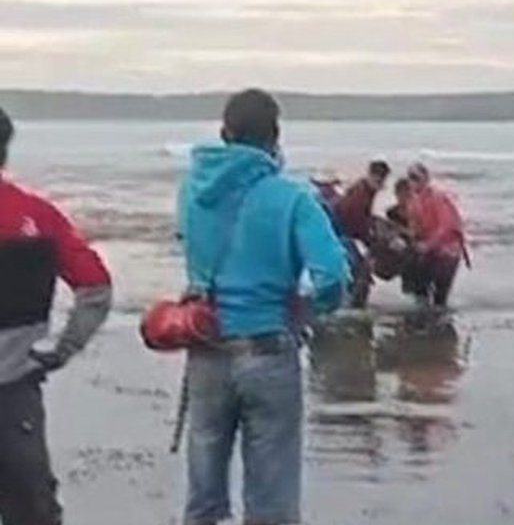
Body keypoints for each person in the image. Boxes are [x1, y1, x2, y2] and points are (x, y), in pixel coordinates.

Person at [177, 89, 350, 525]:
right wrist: (307, 311)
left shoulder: (192, 191)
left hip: (206, 344)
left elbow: (194, 250)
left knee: (203, 495)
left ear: (224, 134)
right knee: (271, 498)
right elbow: (333, 276)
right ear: (276, 139)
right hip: (269, 349)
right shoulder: (292, 198)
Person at [0, 106, 113, 525]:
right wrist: (62, 349)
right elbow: (96, 288)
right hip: (14, 390)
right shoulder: (38, 216)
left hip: (14, 390)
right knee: (32, 510)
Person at [405, 164, 468, 307]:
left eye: (416, 178)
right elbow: (415, 229)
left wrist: (428, 245)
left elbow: (447, 226)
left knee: (440, 296)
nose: (413, 182)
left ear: (426, 179)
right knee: (419, 290)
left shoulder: (438, 198)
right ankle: (423, 321)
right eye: (410, 178)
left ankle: (439, 321)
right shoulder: (413, 201)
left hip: (448, 251)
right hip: (430, 252)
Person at [332, 161, 391, 308]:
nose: (380, 184)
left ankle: (351, 301)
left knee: (360, 270)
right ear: (370, 175)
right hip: (341, 235)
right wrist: (372, 241)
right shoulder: (360, 195)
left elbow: (364, 218)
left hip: (345, 233)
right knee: (361, 271)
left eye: (382, 180)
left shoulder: (366, 190)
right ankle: (353, 305)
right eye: (378, 180)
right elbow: (355, 223)